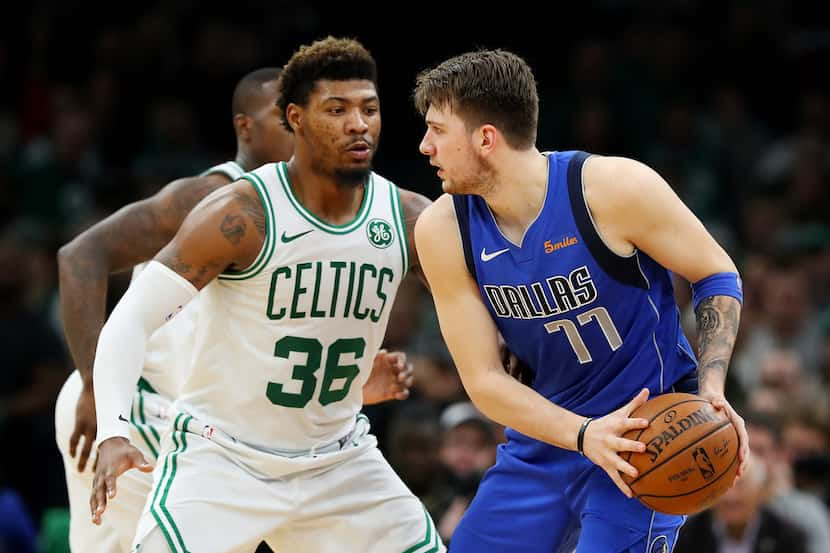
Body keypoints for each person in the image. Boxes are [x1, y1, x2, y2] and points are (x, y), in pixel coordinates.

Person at [89, 37, 445, 553]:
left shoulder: (410, 217)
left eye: (369, 109)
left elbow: (482, 309)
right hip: (225, 459)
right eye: (337, 109)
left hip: (339, 461)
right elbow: (128, 321)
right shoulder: (241, 215)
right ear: (295, 118)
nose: (358, 124)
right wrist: (113, 430)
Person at [413, 49, 748, 553]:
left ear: (485, 138)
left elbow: (716, 273)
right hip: (546, 438)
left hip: (645, 440)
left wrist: (712, 385)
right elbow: (482, 380)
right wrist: (584, 433)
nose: (424, 146)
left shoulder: (612, 189)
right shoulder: (443, 229)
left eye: (437, 130)